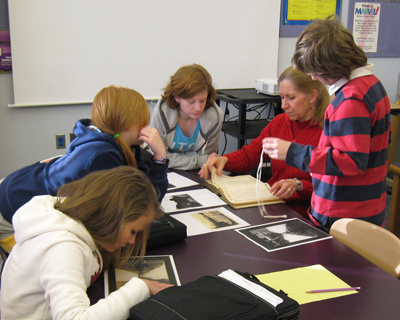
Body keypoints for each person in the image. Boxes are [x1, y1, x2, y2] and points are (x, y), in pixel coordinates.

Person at [0, 85, 168, 253]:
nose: (147, 125)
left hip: (17, 187)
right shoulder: (102, 156)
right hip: (12, 207)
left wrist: (159, 158)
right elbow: (147, 204)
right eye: (143, 120)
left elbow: (144, 193)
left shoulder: (124, 145)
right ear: (128, 123)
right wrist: (160, 157)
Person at [262, 17, 391, 231]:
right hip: (364, 206)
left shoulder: (351, 99)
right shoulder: (372, 84)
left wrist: (292, 151)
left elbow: (350, 160)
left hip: (342, 213)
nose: (313, 77)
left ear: (332, 65)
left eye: (315, 71)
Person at [0, 166, 173, 320]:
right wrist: (140, 287)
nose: (132, 241)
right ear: (112, 217)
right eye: (133, 232)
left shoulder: (86, 225)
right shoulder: (62, 247)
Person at [199, 66, 330, 218]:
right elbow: (251, 154)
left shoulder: (328, 132)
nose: (283, 105)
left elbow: (332, 188)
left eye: (291, 98)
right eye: (282, 97)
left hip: (303, 214)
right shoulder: (280, 122)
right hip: (272, 205)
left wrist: (299, 185)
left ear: (312, 96)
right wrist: (224, 160)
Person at [150, 64, 223, 170]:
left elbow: (208, 161)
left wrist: (171, 158)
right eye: (191, 102)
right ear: (177, 97)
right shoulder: (163, 113)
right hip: (163, 171)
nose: (198, 108)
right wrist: (199, 160)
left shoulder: (214, 117)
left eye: (202, 101)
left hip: (196, 173)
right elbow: (159, 158)